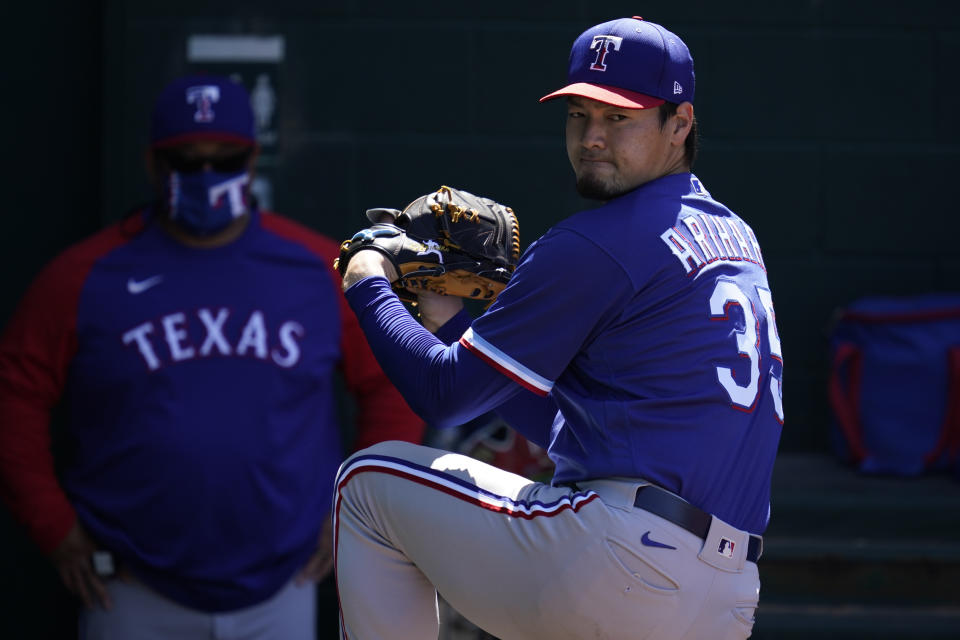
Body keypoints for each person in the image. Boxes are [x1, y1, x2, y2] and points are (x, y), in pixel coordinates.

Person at [335, 16, 783, 640]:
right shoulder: (737, 236)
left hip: (618, 559)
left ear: (679, 124)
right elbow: (575, 429)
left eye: (619, 117)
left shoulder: (596, 243)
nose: (592, 137)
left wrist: (368, 281)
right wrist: (448, 321)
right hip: (727, 595)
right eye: (579, 115)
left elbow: (445, 395)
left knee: (367, 484)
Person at [0, 74, 423, 639]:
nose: (205, 176)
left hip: (282, 587)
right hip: (127, 586)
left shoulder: (318, 269)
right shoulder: (85, 277)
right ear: (154, 165)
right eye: (185, 161)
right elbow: (14, 396)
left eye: (224, 159)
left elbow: (394, 377)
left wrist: (359, 511)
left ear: (251, 162)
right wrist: (53, 527)